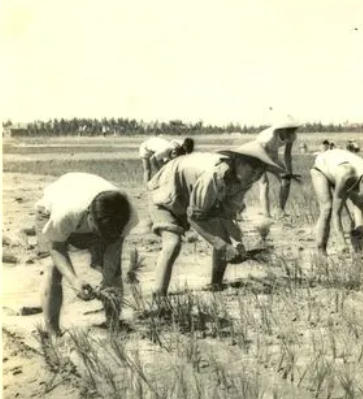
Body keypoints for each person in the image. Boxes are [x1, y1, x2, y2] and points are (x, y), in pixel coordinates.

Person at [147, 144, 286, 295]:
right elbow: (194, 218)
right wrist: (224, 246)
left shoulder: (243, 180)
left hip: (190, 196)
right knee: (172, 243)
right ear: (239, 163)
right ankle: (159, 295)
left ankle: (215, 286)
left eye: (260, 174)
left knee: (223, 238)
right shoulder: (214, 175)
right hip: (165, 193)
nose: (255, 177)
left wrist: (237, 243)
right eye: (252, 171)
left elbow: (227, 215)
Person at [35, 173, 139, 336]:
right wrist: (75, 280)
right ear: (89, 214)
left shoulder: (127, 215)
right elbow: (56, 248)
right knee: (53, 269)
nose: (101, 237)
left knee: (113, 271)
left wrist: (107, 279)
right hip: (50, 212)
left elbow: (114, 248)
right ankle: (52, 332)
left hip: (96, 218)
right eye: (99, 231)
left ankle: (113, 325)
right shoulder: (67, 212)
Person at [311, 149, 363, 255]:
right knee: (327, 208)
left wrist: (360, 228)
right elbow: (336, 213)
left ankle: (358, 252)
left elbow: (358, 212)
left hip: (341, 170)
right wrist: (342, 242)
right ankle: (321, 251)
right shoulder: (346, 175)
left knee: (356, 220)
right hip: (321, 169)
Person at [255, 116, 300, 218]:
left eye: (293, 131)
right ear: (282, 130)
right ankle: (266, 214)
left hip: (273, 155)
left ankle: (280, 210)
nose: (291, 134)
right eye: (289, 131)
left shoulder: (292, 136)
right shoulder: (268, 137)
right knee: (264, 183)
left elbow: (287, 155)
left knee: (286, 180)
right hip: (258, 156)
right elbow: (261, 155)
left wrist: (289, 172)